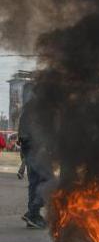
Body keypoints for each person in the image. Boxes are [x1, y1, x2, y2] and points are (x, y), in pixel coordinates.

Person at [17, 98, 54, 229]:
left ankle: (33, 214)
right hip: (36, 146)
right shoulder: (40, 105)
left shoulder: (32, 104)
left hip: (30, 145)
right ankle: (33, 213)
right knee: (48, 181)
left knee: (36, 181)